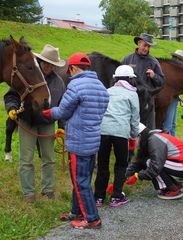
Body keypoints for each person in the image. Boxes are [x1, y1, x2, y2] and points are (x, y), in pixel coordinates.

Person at [42, 52, 109, 229]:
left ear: (72, 68)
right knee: (82, 179)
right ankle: (76, 211)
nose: (68, 74)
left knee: (80, 182)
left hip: (78, 143)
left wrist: (48, 112)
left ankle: (92, 219)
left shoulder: (76, 86)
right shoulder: (101, 87)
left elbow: (63, 112)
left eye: (68, 70)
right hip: (93, 140)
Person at [4, 44, 66, 203]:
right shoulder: (28, 75)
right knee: (26, 159)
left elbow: (63, 106)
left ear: (54, 66)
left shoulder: (59, 83)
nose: (48, 66)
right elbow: (11, 96)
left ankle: (48, 190)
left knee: (49, 158)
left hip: (47, 123)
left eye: (51, 64)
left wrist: (61, 127)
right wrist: (12, 108)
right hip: (27, 121)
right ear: (40, 60)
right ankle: (28, 193)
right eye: (45, 62)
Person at [94, 65, 140, 207]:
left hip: (103, 131)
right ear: (130, 79)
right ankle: (116, 196)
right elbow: (135, 118)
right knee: (121, 164)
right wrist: (133, 135)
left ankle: (99, 197)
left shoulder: (107, 91)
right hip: (120, 132)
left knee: (102, 164)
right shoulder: (132, 94)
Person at [125, 123, 183, 200]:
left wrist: (138, 176)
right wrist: (124, 175)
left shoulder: (154, 140)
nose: (132, 144)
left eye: (132, 141)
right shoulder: (149, 138)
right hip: (182, 164)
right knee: (146, 161)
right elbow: (138, 162)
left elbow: (156, 166)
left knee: (150, 163)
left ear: (139, 136)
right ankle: (176, 185)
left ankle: (171, 189)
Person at [121, 33, 165, 129]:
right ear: (139, 43)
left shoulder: (153, 62)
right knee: (129, 128)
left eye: (149, 46)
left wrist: (154, 76)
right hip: (129, 101)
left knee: (147, 130)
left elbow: (162, 82)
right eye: (145, 45)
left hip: (147, 103)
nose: (146, 49)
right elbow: (118, 78)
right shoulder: (127, 59)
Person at [162, 50, 183, 136]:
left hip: (174, 99)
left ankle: (173, 142)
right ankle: (169, 144)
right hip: (169, 99)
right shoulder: (171, 70)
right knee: (168, 124)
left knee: (172, 124)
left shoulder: (174, 70)